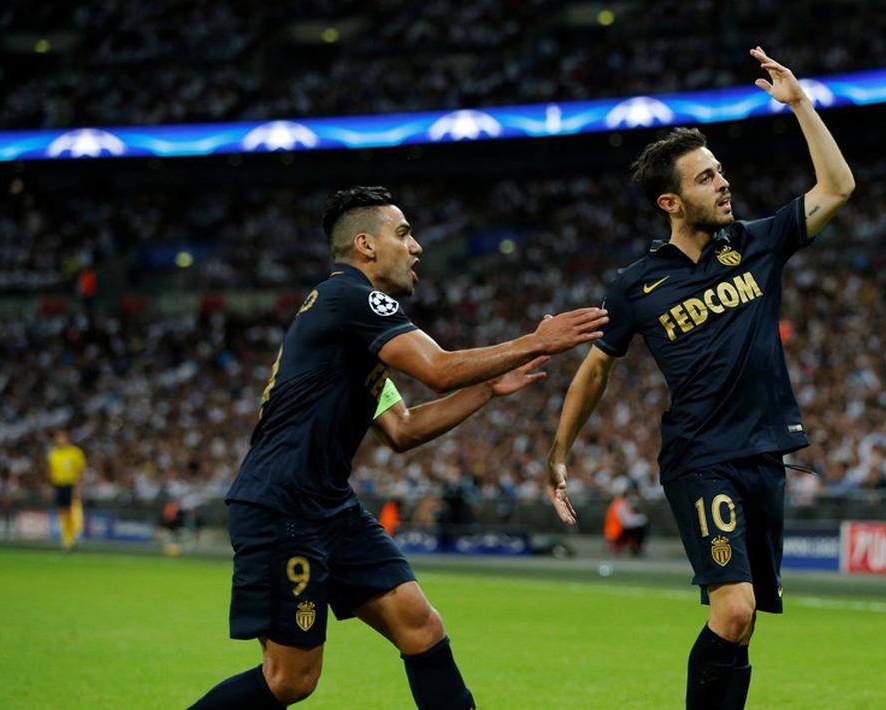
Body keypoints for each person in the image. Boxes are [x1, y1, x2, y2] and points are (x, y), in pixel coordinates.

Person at [189, 185, 607, 709]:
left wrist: (485, 388)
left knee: (421, 627)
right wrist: (536, 340)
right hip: (282, 506)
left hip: (329, 505)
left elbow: (402, 429)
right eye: (404, 233)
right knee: (290, 678)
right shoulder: (352, 296)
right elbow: (436, 369)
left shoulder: (353, 330)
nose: (417, 248)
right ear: (365, 245)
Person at [548, 48, 854, 709]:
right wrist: (559, 453)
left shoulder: (756, 243)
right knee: (734, 609)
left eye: (720, 172)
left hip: (764, 456)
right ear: (670, 200)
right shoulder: (635, 285)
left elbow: (836, 188)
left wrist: (800, 104)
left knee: (740, 628)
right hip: (700, 458)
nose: (723, 184)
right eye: (705, 177)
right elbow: (597, 366)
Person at [47, 429, 86, 551]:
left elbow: (80, 471)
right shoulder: (53, 453)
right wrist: (49, 486)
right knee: (62, 512)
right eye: (58, 438)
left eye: (62, 437)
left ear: (67, 438)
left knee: (73, 512)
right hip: (59, 485)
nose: (60, 440)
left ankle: (73, 538)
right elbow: (50, 471)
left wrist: (79, 487)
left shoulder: (75, 452)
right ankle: (66, 539)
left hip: (71, 485)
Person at [604, 478, 649, 556]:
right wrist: (641, 519)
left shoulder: (620, 502)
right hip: (616, 533)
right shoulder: (620, 503)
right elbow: (626, 521)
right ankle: (635, 548)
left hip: (617, 532)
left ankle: (635, 547)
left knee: (639, 526)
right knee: (639, 529)